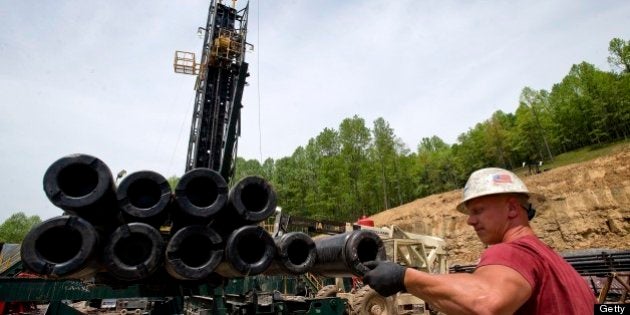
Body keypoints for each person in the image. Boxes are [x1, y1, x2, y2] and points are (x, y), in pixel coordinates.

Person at [363, 167, 596, 315]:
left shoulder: (512, 253)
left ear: (512, 208)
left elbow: (486, 302)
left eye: (478, 210)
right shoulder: (564, 270)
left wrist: (403, 277)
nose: (470, 221)